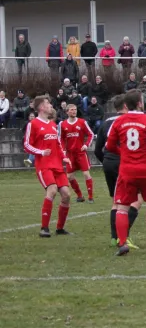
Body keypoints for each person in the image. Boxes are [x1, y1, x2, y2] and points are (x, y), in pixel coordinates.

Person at [105, 89, 146, 256]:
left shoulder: (118, 122)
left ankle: (122, 244)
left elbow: (109, 146)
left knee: (122, 207)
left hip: (127, 170)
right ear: (140, 103)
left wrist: (124, 153)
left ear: (126, 105)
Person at [94, 95, 143, 249]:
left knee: (117, 201)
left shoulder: (106, 123)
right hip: (125, 163)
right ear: (126, 106)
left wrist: (107, 162)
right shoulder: (131, 121)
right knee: (137, 199)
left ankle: (114, 238)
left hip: (109, 162)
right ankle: (124, 236)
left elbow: (97, 150)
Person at [23, 96, 72, 237]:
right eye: (48, 104)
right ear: (41, 108)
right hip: (44, 165)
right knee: (52, 190)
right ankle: (44, 228)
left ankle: (60, 229)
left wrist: (64, 158)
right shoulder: (33, 124)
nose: (51, 106)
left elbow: (58, 144)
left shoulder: (52, 125)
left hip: (57, 165)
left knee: (67, 195)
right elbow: (26, 145)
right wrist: (41, 152)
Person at [59, 104, 95, 203]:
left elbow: (91, 134)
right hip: (70, 154)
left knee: (86, 174)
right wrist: (63, 150)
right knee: (69, 176)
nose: (74, 111)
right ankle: (80, 196)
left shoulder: (82, 122)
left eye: (75, 109)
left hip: (81, 153)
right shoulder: (63, 124)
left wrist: (86, 145)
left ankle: (90, 197)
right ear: (67, 112)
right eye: (72, 110)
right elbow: (61, 138)